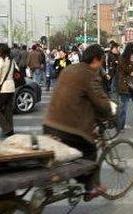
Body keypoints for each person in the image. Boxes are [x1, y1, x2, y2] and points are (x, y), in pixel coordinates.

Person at [43, 44, 116, 200]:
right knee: (89, 151)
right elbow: (101, 102)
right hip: (68, 128)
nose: (101, 65)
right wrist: (111, 115)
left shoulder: (70, 68)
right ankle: (90, 188)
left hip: (49, 123)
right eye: (101, 61)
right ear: (96, 59)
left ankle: (52, 183)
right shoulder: (89, 74)